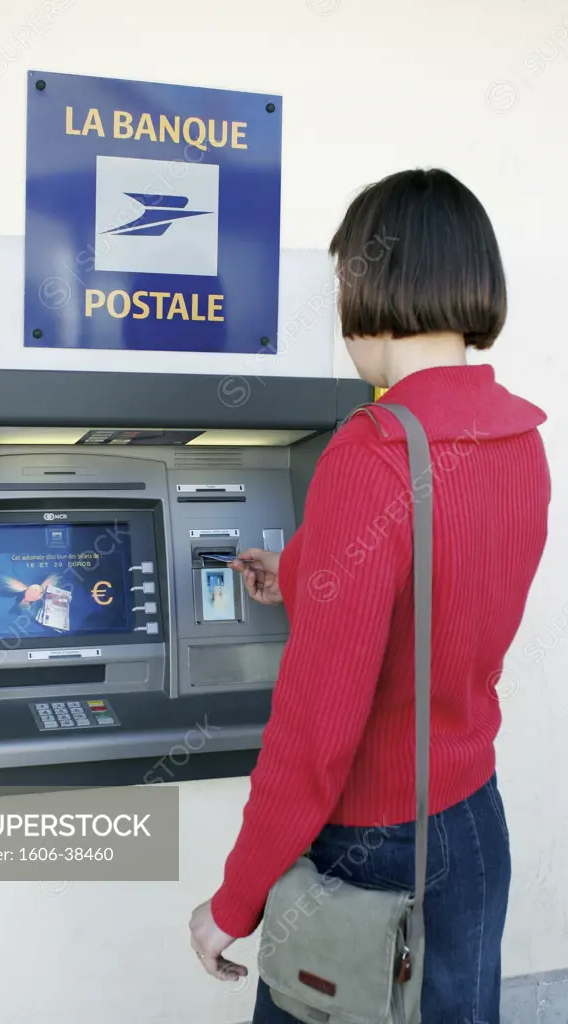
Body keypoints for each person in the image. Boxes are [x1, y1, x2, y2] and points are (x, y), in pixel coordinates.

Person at [189, 168, 550, 1023]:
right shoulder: (519, 437)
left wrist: (234, 901)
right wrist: (304, 574)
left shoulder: (371, 452)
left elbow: (316, 732)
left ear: (366, 283)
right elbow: (443, 588)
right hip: (471, 824)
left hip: (373, 850)